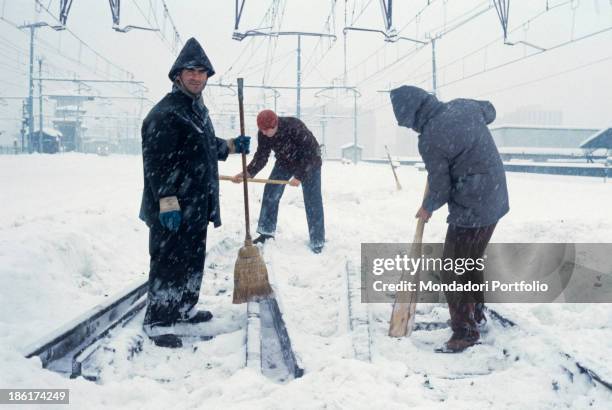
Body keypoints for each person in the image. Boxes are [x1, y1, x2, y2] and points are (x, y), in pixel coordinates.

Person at [139, 38, 250, 348]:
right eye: (191, 71)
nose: (197, 77)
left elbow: (203, 144)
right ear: (178, 75)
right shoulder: (166, 113)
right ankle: (160, 321)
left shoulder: (195, 109)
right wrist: (168, 201)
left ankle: (185, 308)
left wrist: (229, 145)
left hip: (197, 203)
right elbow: (158, 165)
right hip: (173, 205)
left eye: (202, 72)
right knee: (168, 261)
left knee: (192, 257)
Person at [390, 85, 509, 352]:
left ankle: (465, 332)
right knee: (470, 260)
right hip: (496, 196)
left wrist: (428, 206)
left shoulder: (430, 138)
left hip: (472, 206)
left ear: (412, 116)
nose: (411, 129)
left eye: (408, 124)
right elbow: (489, 109)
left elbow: (440, 185)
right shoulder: (464, 105)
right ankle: (475, 311)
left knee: (453, 268)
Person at [232, 110, 325, 253]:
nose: (264, 133)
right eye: (261, 130)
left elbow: (311, 153)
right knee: (270, 191)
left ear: (276, 124)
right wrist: (248, 172)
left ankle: (317, 240)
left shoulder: (294, 126)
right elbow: (261, 156)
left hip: (310, 162)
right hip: (285, 162)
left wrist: (299, 176)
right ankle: (266, 232)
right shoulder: (263, 134)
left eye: (267, 130)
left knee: (313, 201)